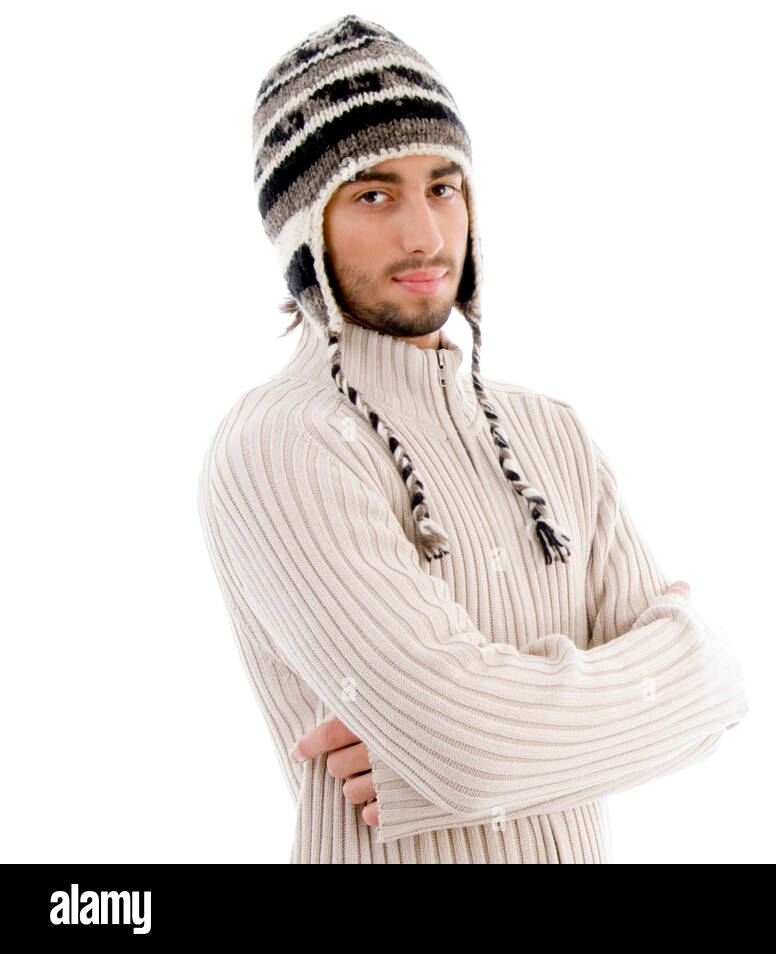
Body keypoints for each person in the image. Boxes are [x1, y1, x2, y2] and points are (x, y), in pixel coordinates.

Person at [196, 13, 747, 863]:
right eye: (374, 194)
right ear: (304, 230)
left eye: (444, 186)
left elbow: (713, 705)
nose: (424, 234)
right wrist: (666, 667)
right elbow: (473, 748)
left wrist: (431, 764)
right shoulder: (284, 444)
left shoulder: (550, 431)